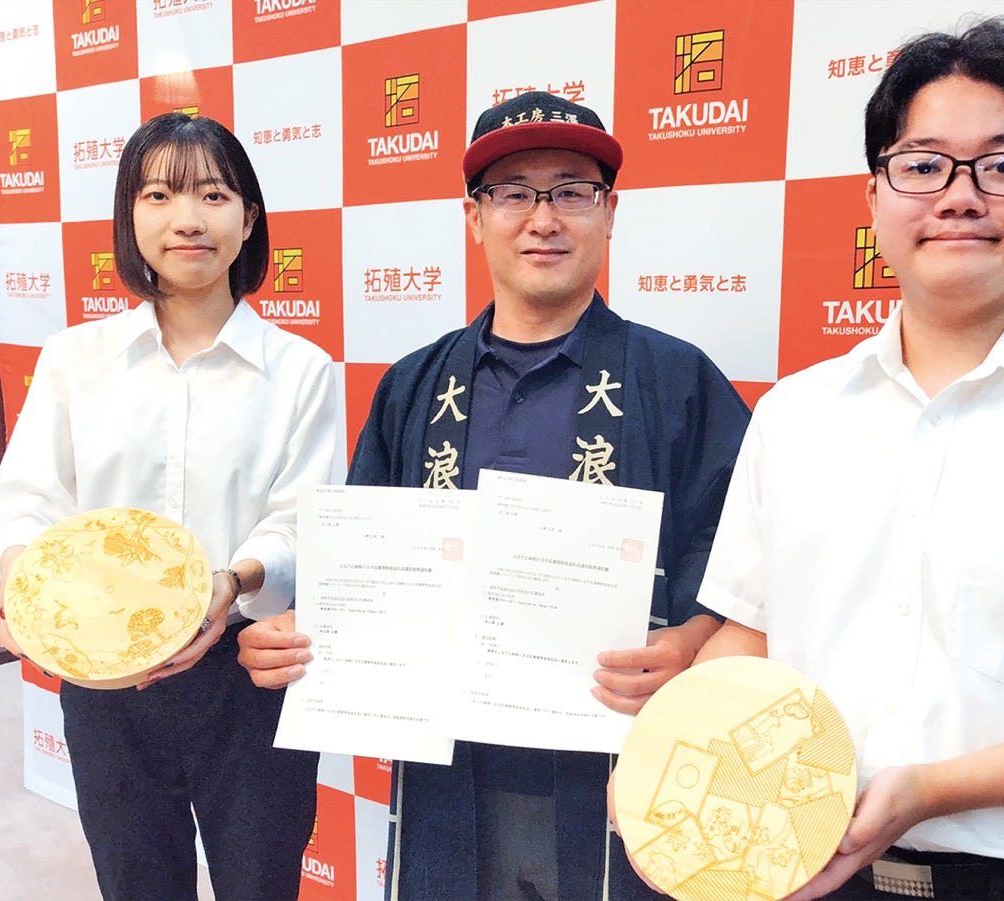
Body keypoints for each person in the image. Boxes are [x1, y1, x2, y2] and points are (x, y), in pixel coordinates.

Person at [682, 18, 1004, 901]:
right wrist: (671, 759)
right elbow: (750, 634)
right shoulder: (795, 412)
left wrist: (931, 790)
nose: (959, 196)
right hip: (807, 875)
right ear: (874, 195)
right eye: (922, 166)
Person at [237, 91, 751, 900]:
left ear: (609, 213)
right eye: (513, 193)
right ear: (474, 218)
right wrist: (306, 629)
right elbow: (368, 565)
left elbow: (737, 555)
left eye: (571, 191)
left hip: (623, 770)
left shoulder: (677, 380)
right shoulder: (414, 387)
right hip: (451, 772)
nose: (543, 219)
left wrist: (692, 640)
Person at [0, 112, 339, 901]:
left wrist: (232, 581)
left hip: (247, 675)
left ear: (249, 218)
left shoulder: (302, 370)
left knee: (261, 882)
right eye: (158, 195)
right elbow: (27, 500)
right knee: (135, 881)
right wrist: (20, 577)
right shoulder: (74, 359)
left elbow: (301, 520)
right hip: (106, 677)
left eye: (213, 195)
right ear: (130, 216)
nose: (188, 219)